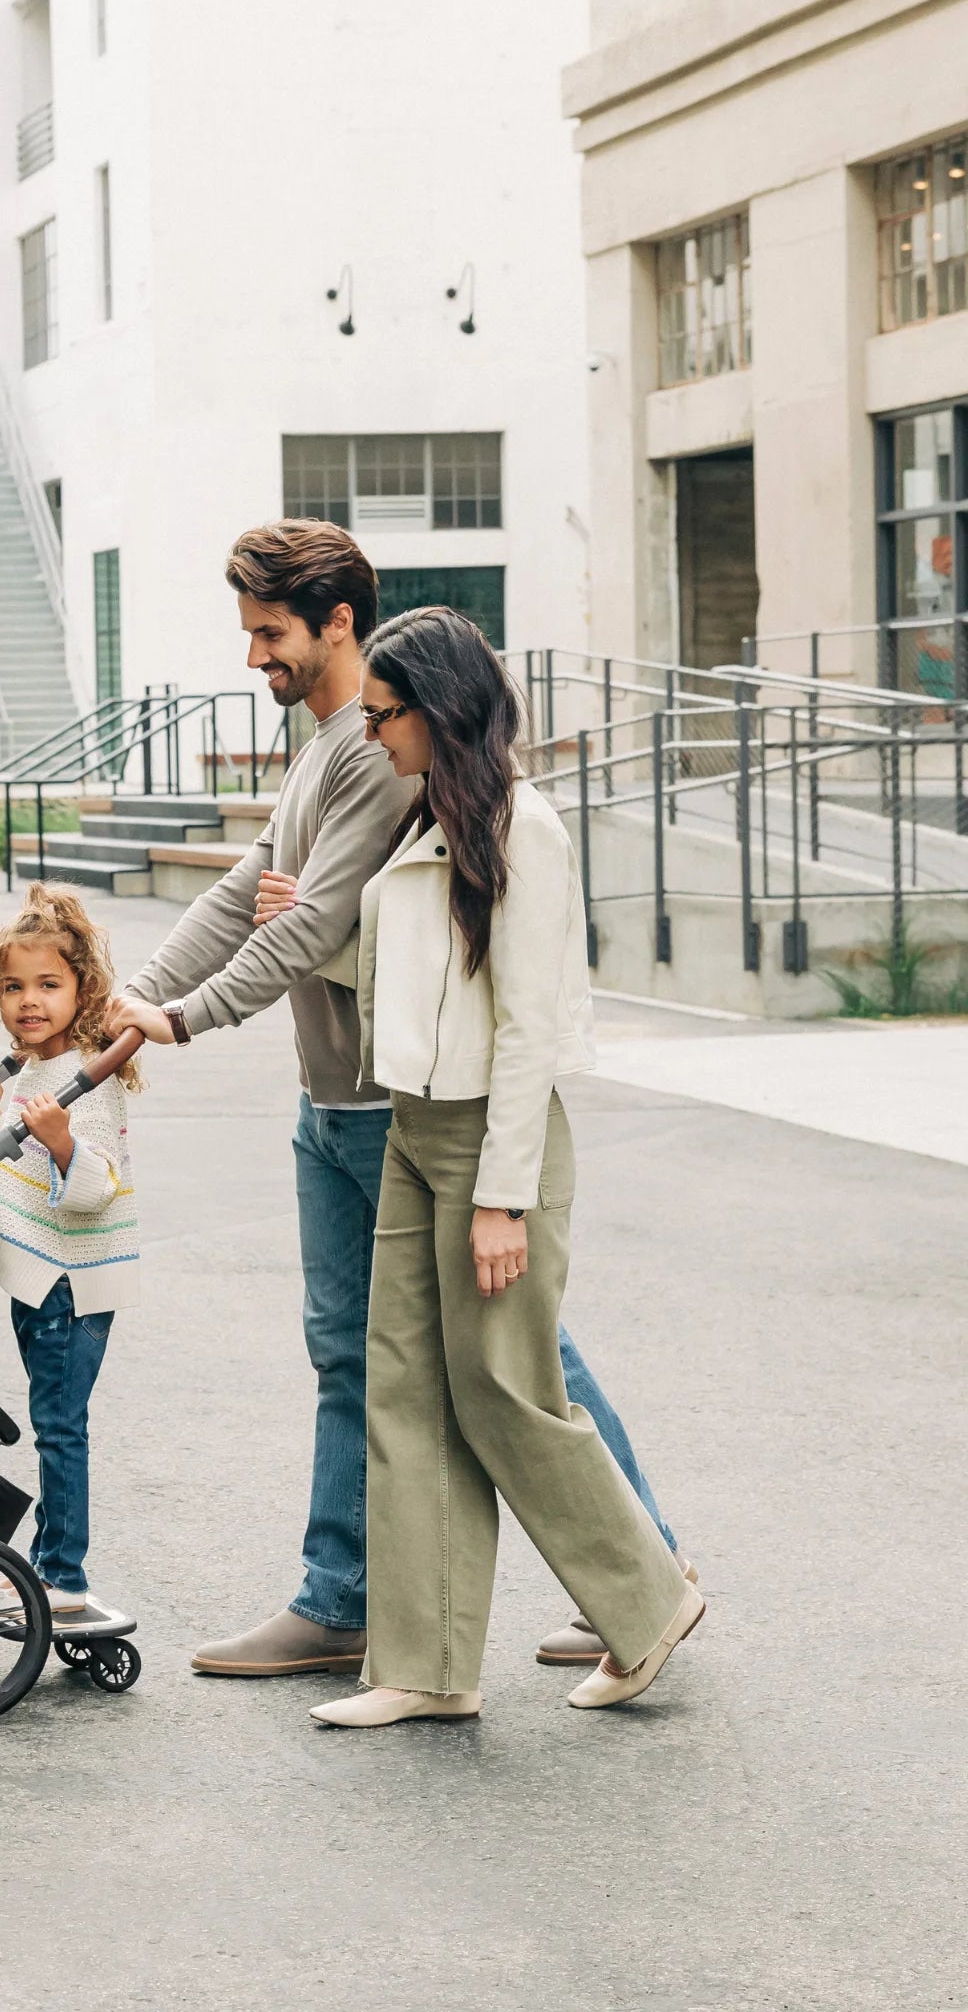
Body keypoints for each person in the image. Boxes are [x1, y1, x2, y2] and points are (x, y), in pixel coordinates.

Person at [108, 519, 688, 1678]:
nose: (252, 657)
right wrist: (134, 991)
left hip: (398, 1108)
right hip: (331, 1100)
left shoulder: (380, 749)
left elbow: (314, 920)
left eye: (268, 633)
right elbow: (247, 894)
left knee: (507, 1360)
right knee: (369, 1356)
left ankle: (633, 1572)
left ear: (336, 622)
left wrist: (180, 1017)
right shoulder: (333, 742)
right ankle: (356, 1598)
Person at [306, 607, 704, 1725]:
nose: (373, 734)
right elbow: (417, 969)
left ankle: (647, 1597)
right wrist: (319, 933)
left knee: (503, 1390)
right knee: (403, 1390)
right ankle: (424, 1667)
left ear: (437, 708)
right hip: (411, 1130)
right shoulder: (430, 820)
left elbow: (528, 1026)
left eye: (384, 715)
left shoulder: (522, 825)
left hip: (492, 1139)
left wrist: (500, 1198)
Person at [0, 883, 142, 1627]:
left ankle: (60, 1574)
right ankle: (48, 1566)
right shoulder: (34, 1071)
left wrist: (57, 1137)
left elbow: (90, 1188)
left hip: (73, 1288)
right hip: (41, 1283)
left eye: (48, 985)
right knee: (52, 1421)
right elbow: (24, 1171)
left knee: (61, 1428)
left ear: (82, 990)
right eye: (12, 987)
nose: (29, 1001)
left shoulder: (89, 1077)